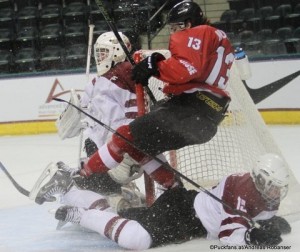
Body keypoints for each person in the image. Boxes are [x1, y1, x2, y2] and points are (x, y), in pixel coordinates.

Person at [75, 1, 234, 183]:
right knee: (140, 146)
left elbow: (184, 70)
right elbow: (193, 72)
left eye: (175, 27)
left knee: (124, 136)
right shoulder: (216, 37)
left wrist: (154, 65)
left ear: (188, 23)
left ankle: (86, 174)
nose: (173, 33)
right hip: (206, 120)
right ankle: (175, 194)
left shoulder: (198, 32)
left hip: (190, 110)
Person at [33, 31, 178, 205]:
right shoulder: (125, 73)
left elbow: (101, 116)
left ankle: (67, 180)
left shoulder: (108, 80)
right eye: (98, 52)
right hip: (127, 142)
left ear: (117, 51)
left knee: (110, 165)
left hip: (122, 145)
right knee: (147, 164)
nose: (99, 57)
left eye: (104, 51)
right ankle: (163, 191)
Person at [45, 153, 291, 250]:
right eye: (273, 186)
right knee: (136, 239)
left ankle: (70, 192)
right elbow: (229, 236)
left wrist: (269, 223)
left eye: (279, 187)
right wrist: (252, 238)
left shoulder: (265, 193)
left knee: (127, 218)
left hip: (188, 215)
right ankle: (79, 215)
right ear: (259, 179)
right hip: (183, 212)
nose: (276, 192)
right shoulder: (243, 189)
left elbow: (255, 217)